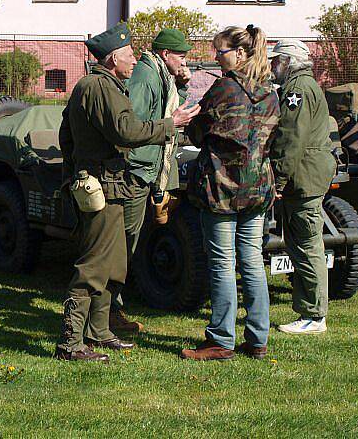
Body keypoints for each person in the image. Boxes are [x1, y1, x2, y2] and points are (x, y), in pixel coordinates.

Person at [54, 23, 200, 363]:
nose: (134, 61)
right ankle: (70, 342)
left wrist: (75, 165)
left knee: (115, 264)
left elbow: (66, 134)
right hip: (102, 188)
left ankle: (99, 330)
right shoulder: (100, 87)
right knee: (93, 266)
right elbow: (126, 131)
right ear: (111, 59)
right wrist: (170, 124)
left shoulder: (100, 85)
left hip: (111, 186)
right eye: (129, 55)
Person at [180, 25, 279, 362]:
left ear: (239, 53)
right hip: (258, 188)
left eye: (219, 52)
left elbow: (197, 132)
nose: (215, 58)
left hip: (223, 189)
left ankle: (221, 340)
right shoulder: (269, 91)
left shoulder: (224, 88)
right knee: (251, 260)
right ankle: (258, 339)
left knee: (222, 263)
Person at [110, 28, 194, 334]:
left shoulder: (159, 75)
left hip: (147, 169)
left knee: (129, 242)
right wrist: (174, 123)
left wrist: (181, 88)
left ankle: (111, 308)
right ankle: (110, 311)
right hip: (137, 170)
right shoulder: (146, 77)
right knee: (123, 245)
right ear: (165, 54)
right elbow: (135, 125)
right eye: (181, 55)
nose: (185, 61)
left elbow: (166, 109)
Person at [269, 38, 336, 335]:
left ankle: (313, 314)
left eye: (276, 61)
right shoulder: (306, 86)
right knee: (306, 244)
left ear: (287, 61)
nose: (272, 66)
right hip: (309, 173)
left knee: (307, 246)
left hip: (304, 177)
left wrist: (278, 179)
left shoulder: (297, 89)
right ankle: (312, 311)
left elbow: (290, 138)